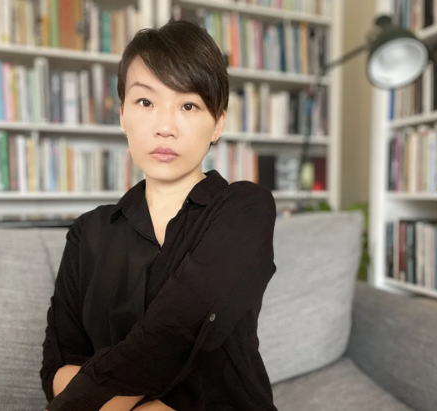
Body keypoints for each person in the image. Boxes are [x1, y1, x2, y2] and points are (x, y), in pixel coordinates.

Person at [40, 19, 278, 411]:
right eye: (146, 102)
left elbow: (174, 333)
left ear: (218, 123)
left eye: (188, 105)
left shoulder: (245, 208)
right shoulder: (88, 232)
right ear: (122, 115)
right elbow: (58, 366)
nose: (165, 127)